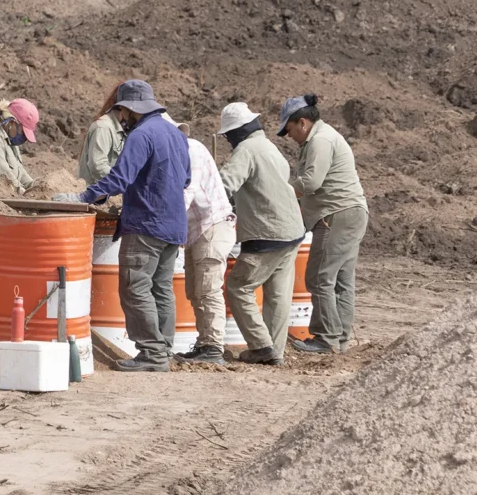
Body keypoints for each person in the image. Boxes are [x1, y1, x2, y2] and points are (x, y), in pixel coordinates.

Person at [54, 80, 190, 372]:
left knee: (135, 287)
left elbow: (119, 178)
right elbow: (187, 179)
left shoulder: (141, 135)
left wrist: (83, 196)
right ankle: (163, 351)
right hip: (174, 224)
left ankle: (152, 354)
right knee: (161, 288)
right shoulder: (176, 134)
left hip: (146, 224)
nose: (122, 118)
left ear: (129, 109)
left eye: (123, 112)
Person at [216, 103, 306, 364]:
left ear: (237, 131)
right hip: (291, 230)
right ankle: (274, 352)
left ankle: (261, 346)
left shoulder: (246, 150)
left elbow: (225, 184)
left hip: (267, 233)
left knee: (238, 287)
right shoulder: (269, 148)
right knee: (277, 296)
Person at [279, 95, 368, 355]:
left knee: (319, 277)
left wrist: (278, 191)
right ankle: (338, 340)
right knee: (341, 280)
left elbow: (310, 182)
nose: (290, 136)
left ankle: (325, 338)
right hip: (350, 213)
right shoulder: (323, 136)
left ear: (303, 123)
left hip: (336, 214)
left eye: (290, 129)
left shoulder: (320, 140)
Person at [166, 114, 236, 367]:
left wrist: (167, 227)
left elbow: (187, 192)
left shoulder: (191, 149)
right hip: (199, 230)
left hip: (212, 227)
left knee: (208, 289)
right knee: (196, 291)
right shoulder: (178, 152)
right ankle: (205, 343)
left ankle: (213, 346)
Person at [77, 82, 126, 184]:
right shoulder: (103, 128)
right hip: (94, 196)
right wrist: (124, 182)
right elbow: (97, 166)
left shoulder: (122, 130)